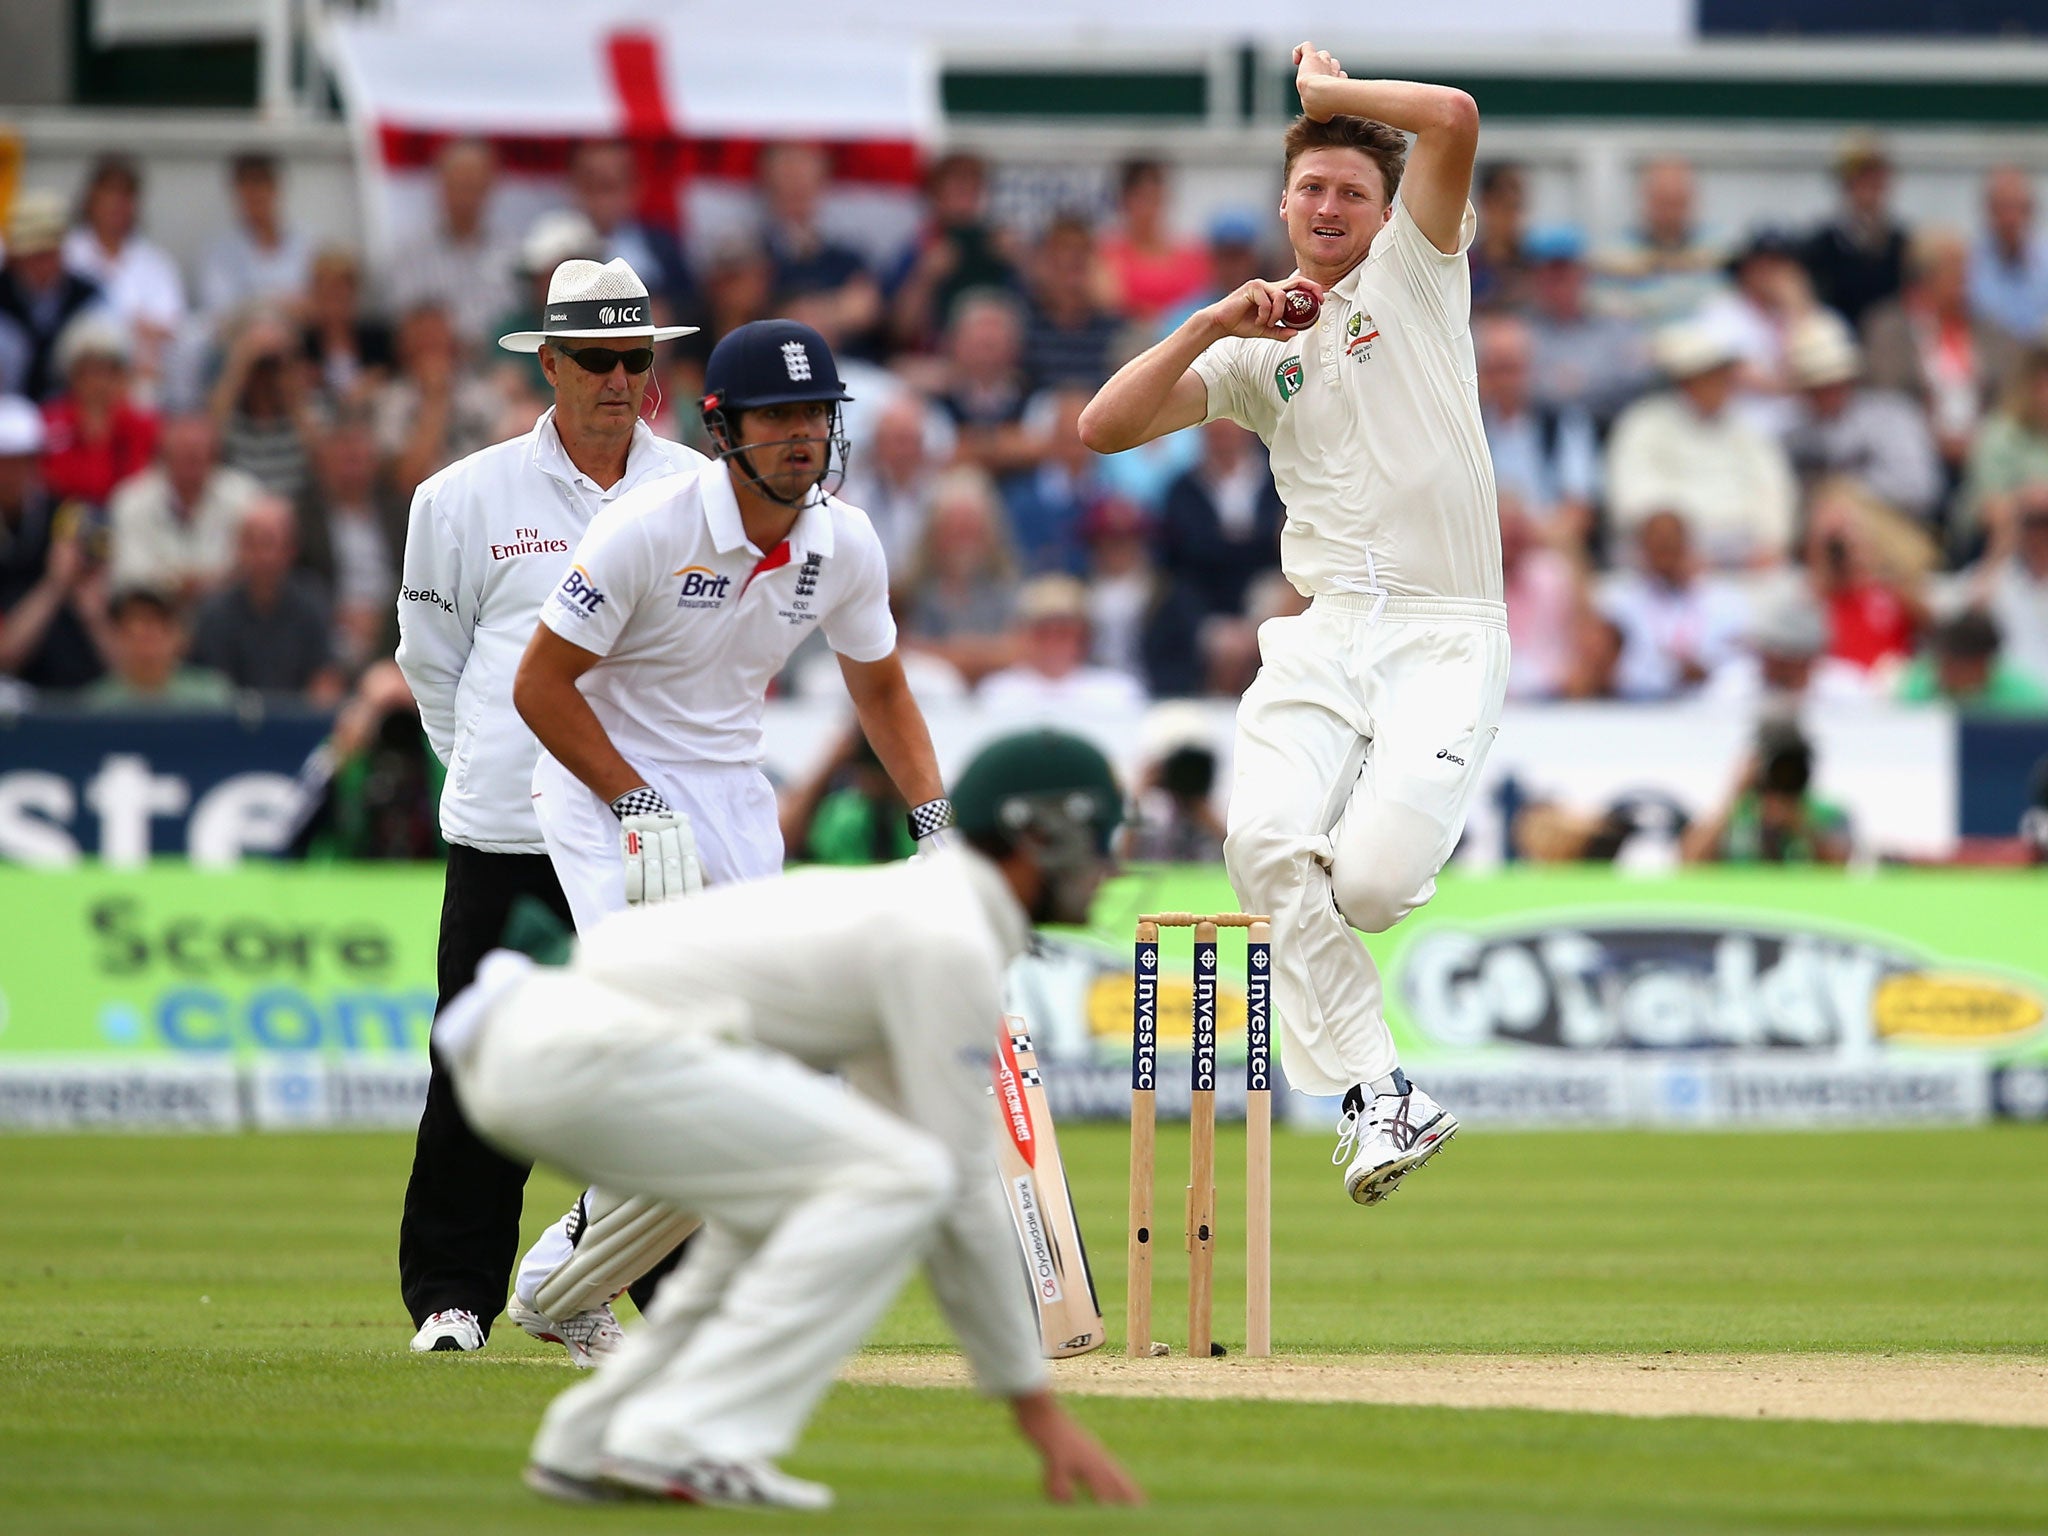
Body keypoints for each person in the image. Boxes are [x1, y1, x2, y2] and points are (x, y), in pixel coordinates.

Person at [434, 730, 1142, 1511]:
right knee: (900, 1179)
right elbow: (954, 1189)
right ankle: (692, 1440)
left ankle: (592, 1434)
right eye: (1099, 843)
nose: (1110, 868)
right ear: (1038, 833)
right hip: (575, 1048)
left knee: (789, 1209)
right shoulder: (947, 938)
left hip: (534, 1043)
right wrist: (1032, 1405)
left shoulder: (930, 917)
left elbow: (900, 1143)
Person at [1079, 45, 1499, 1205]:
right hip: (1324, 632)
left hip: (1443, 634)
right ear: (1282, 205)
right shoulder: (1259, 347)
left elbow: (1454, 116)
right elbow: (1102, 428)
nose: (1327, 207)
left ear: (1382, 210)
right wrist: (1210, 322)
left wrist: (1336, 102)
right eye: (1310, 187)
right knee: (1259, 845)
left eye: (1349, 191)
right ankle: (1380, 1093)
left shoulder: (1418, 270)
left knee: (1362, 891)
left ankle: (1377, 1086)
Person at [507, 315, 955, 1364]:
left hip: (730, 797)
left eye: (817, 414)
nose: (803, 435)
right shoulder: (646, 529)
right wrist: (630, 799)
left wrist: (934, 825)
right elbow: (537, 685)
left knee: (764, 1069)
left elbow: (879, 683)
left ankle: (563, 1283)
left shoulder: (841, 541)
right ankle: (563, 1287)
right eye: (780, 416)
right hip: (600, 791)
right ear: (722, 428)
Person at [393, 257, 703, 1358]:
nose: (620, 381)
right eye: (599, 361)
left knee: (660, 1066)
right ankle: (452, 1297)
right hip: (509, 827)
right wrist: (484, 764)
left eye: (637, 359)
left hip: (643, 834)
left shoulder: (695, 489)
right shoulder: (462, 497)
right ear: (551, 366)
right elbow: (433, 665)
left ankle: (662, 1301)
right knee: (482, 1058)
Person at [1605, 321, 1797, 570]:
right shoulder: (1643, 424)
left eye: (1723, 375)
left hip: (1746, 556)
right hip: (1668, 557)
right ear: (1687, 380)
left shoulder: (1748, 431)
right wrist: (1675, 547)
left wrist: (1771, 543)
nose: (1722, 384)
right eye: (1711, 376)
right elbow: (1630, 497)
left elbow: (1775, 491)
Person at [0, 395, 112, 690]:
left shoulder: (71, 517)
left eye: (21, 461)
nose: (11, 474)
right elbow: (5, 652)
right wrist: (55, 582)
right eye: (3, 463)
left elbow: (101, 622)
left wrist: (82, 589)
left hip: (76, 682)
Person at [189, 495, 343, 703]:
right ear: (238, 549)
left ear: (291, 550)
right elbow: (208, 688)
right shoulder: (214, 613)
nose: (261, 556)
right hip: (229, 726)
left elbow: (325, 680)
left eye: (269, 544)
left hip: (297, 725)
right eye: (251, 544)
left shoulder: (313, 604)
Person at [60, 155, 186, 390]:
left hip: (141, 373)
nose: (117, 202)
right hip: (78, 378)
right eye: (110, 191)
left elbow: (170, 327)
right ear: (91, 197)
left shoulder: (155, 263)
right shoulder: (67, 255)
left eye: (126, 194)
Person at [106, 411, 263, 599]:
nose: (191, 458)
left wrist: (188, 583)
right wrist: (182, 585)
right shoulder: (131, 500)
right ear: (164, 454)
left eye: (198, 453)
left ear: (215, 455)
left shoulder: (246, 497)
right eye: (183, 452)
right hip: (154, 613)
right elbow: (128, 574)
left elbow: (253, 565)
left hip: (227, 612)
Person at [386, 138, 515, 348]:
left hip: (499, 366)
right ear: (439, 186)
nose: (466, 196)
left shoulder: (513, 254)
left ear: (490, 188)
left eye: (473, 185)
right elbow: (405, 326)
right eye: (458, 184)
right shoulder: (410, 255)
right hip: (434, 366)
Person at [1682, 722, 1851, 866]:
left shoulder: (1827, 813)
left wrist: (1800, 825)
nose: (1784, 776)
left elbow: (1841, 867)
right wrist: (1734, 794)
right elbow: (1690, 862)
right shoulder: (1736, 813)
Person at [0, 192, 104, 405]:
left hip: (74, 414)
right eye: (35, 255)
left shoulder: (89, 298)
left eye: (50, 253)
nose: (43, 264)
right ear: (16, 258)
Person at [1801, 135, 1909, 329]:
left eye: (1875, 180)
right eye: (1860, 179)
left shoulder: (1903, 246)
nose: (1868, 189)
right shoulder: (1820, 248)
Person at [196, 153, 312, 322]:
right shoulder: (218, 253)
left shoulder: (305, 245)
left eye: (261, 184)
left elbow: (315, 305)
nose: (256, 195)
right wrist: (277, 305)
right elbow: (220, 311)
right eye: (247, 187)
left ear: (275, 189)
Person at [79, 586, 233, 710]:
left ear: (179, 636)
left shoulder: (212, 697)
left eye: (156, 626)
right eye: (132, 627)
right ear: (116, 636)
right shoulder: (95, 706)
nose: (145, 635)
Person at [1968, 166, 2048, 345]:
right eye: (2001, 208)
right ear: (1987, 211)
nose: (2010, 219)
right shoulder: (1968, 264)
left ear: (2031, 210)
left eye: (2017, 208)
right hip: (1990, 362)